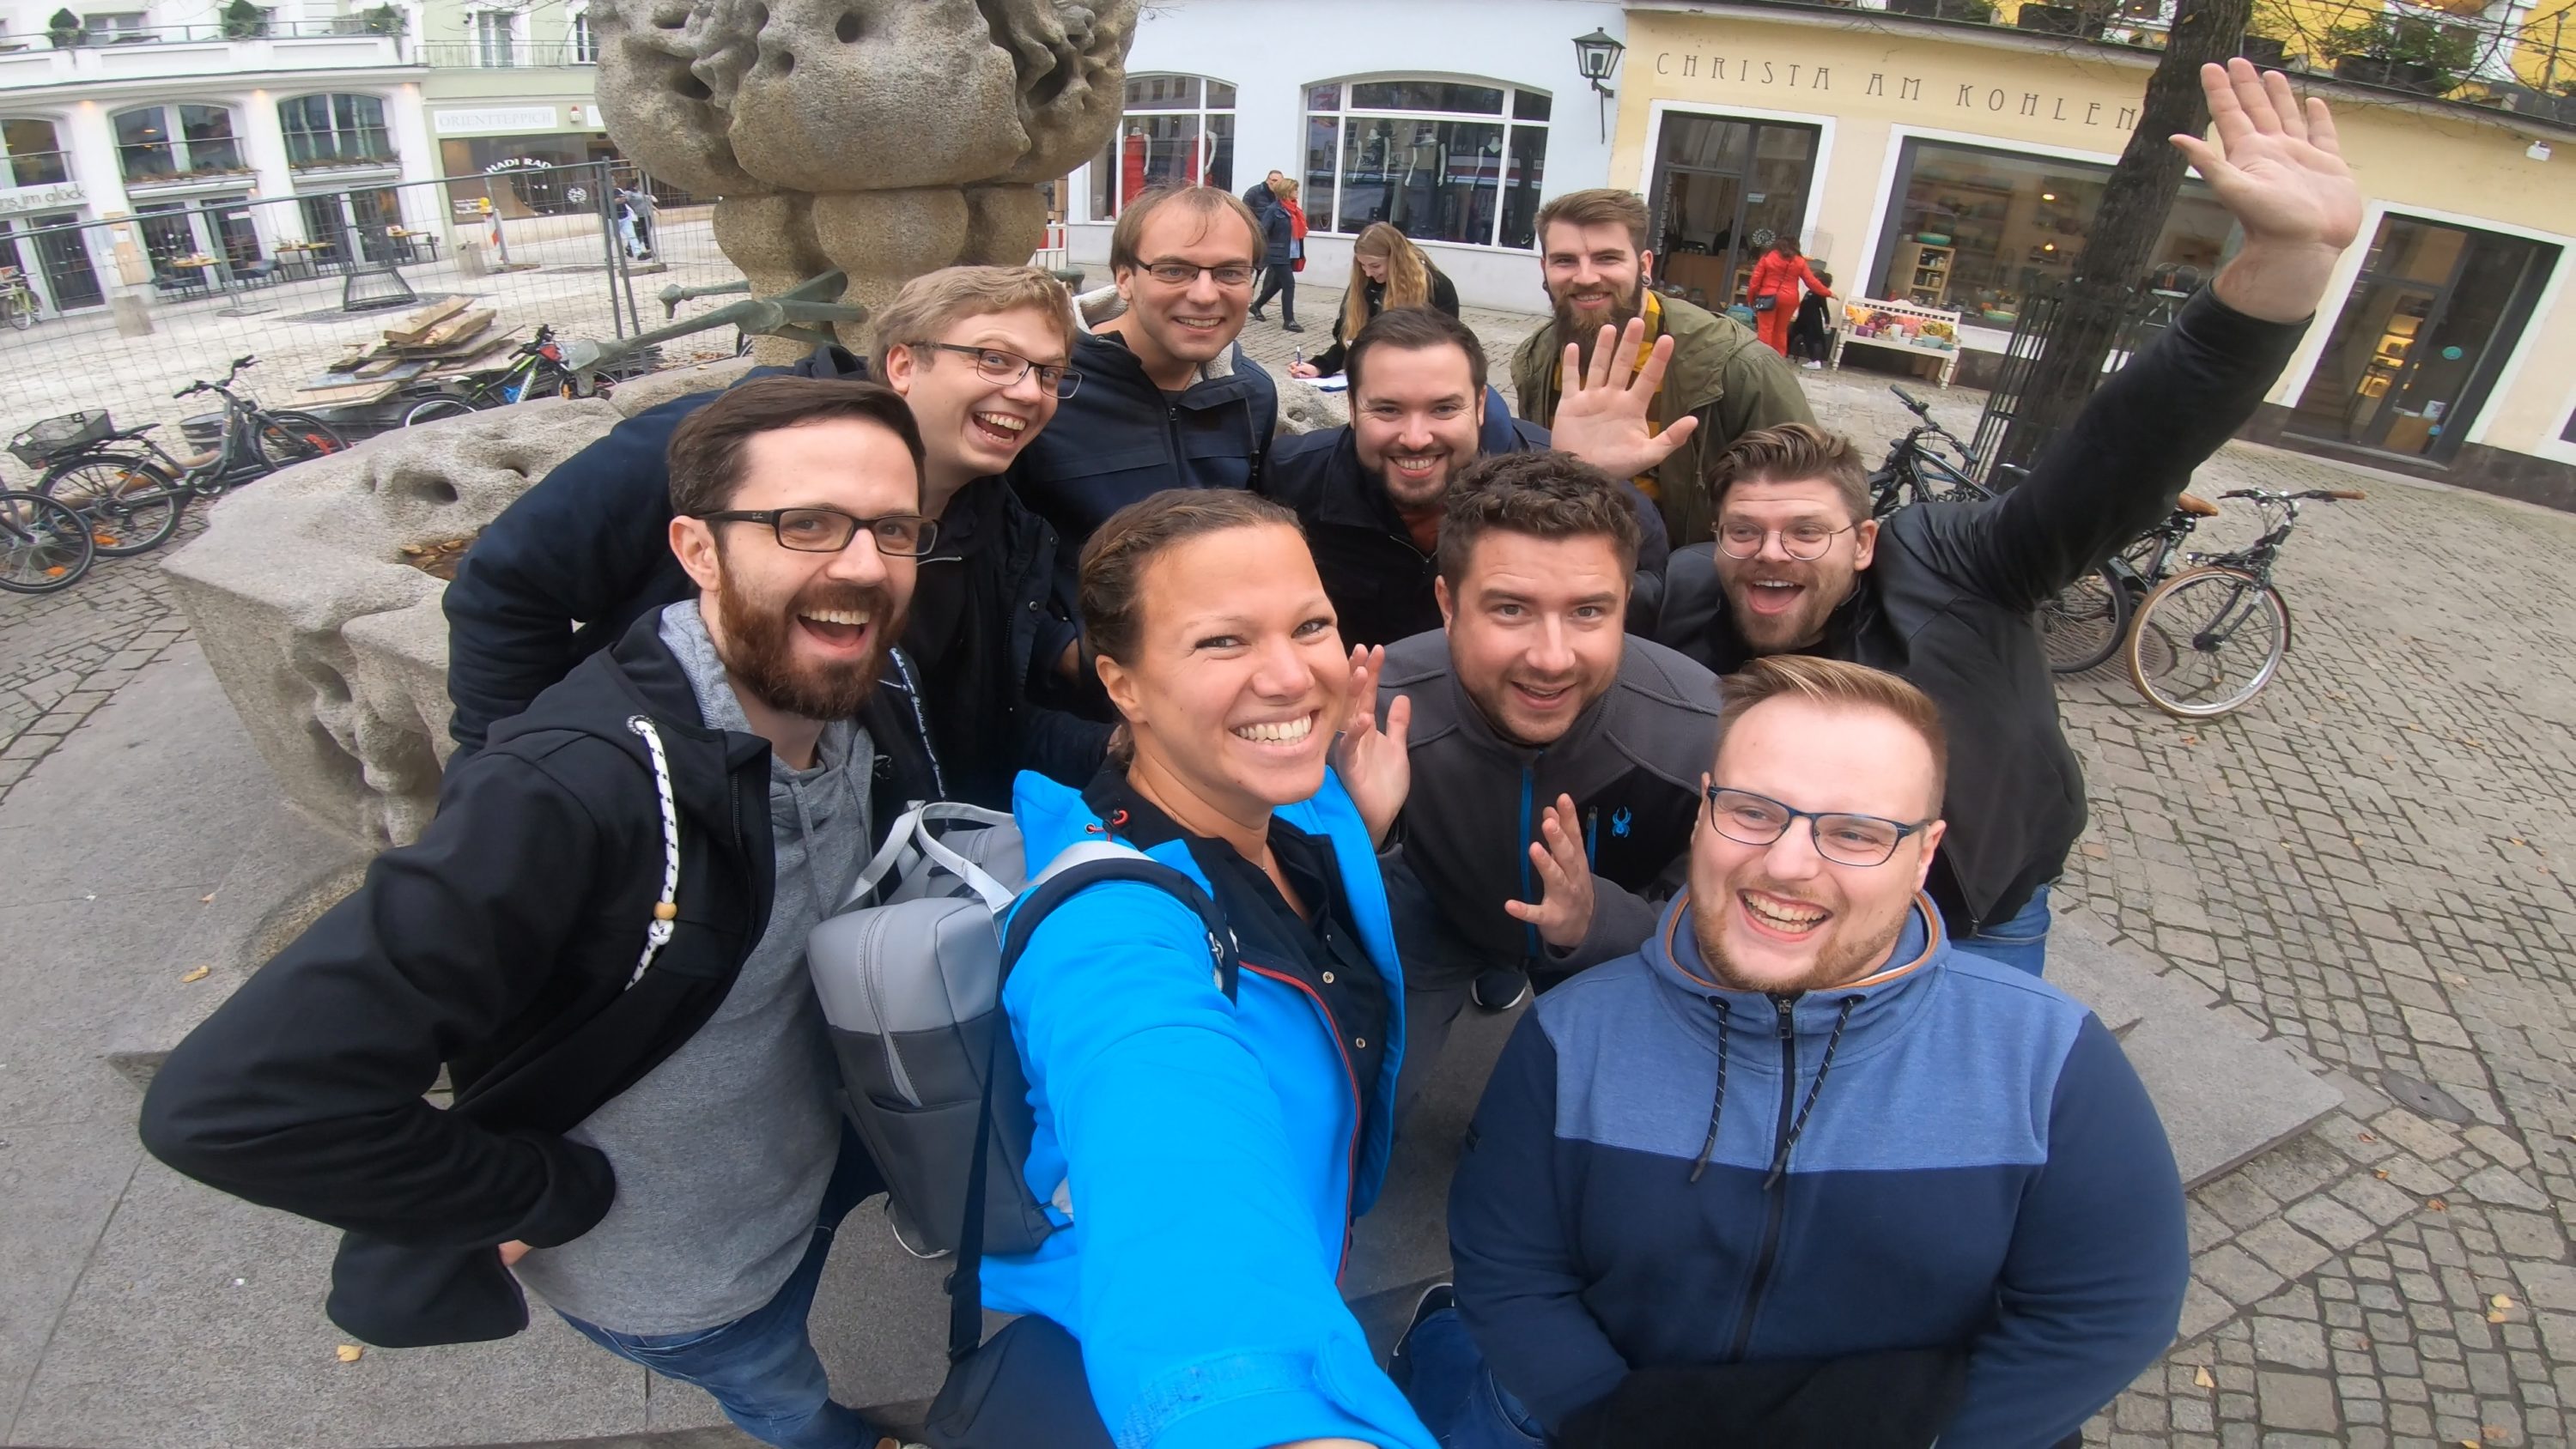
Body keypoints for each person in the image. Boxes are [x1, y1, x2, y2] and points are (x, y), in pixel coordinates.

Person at [140, 379, 947, 1449]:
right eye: (806, 522)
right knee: (782, 1396)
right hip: (681, 1274)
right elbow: (233, 1104)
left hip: (808, 1165)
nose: (863, 564)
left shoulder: (848, 688)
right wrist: (537, 1192)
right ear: (698, 550)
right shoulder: (568, 792)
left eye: (894, 528)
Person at [1652, 60, 2361, 973]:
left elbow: (2120, 457)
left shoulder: (1953, 562)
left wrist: (2281, 272)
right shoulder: (1686, 596)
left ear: (1864, 542)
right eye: (1743, 532)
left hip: (1974, 914)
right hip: (1784, 903)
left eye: (1804, 532)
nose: (1768, 553)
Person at [1402, 655, 2188, 1449]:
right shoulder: (1570, 1036)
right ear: (1703, 814)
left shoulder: (2049, 1061)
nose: (1787, 864)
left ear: (1924, 854)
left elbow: (2108, 1310)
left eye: (1855, 833)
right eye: (1752, 811)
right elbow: (1509, 1270)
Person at [981, 488, 1433, 1449]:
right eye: (1223, 641)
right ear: (1123, 684)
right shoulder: (1109, 932)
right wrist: (1274, 1417)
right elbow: (1178, 1176)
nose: (1292, 675)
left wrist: (1364, 824)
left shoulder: (1296, 809)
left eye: (1310, 625)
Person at [440, 264, 1105, 807]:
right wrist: (507, 772)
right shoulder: (729, 442)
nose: (1029, 392)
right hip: (652, 803)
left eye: (1048, 373)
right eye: (995, 360)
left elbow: (975, 714)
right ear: (904, 364)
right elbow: (507, 583)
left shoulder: (1000, 520)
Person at [1375, 452, 1725, 1116]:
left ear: (1625, 605)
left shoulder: (1700, 731)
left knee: (1600, 1120)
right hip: (1439, 918)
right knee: (1372, 1098)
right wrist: (1361, 833)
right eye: (1511, 609)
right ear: (1448, 604)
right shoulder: (1380, 706)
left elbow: (1718, 919)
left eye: (1589, 611)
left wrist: (1600, 921)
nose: (1551, 658)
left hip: (1618, 947)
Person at [1263, 306, 1680, 649]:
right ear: (1352, 407)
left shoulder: (1572, 474)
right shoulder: (1290, 480)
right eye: (1388, 410)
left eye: (1444, 409)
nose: (1416, 438)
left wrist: (1584, 488)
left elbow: (1635, 623)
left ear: (1480, 405)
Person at [1008, 185, 1278, 600]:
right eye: (1174, 270)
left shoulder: (1252, 393)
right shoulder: (1042, 385)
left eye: (1230, 272)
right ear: (1124, 279)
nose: (1205, 295)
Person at [1511, 188, 1816, 550]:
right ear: (1544, 269)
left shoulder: (1739, 366)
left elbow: (1811, 496)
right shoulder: (1536, 359)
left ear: (1645, 266)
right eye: (1565, 261)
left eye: (1607, 258)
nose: (1586, 277)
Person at [1289, 222, 1460, 380]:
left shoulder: (1436, 286)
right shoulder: (1365, 284)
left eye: (1375, 266)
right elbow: (1352, 342)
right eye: (1363, 265)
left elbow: (1448, 344)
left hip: (1423, 377)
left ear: (1396, 259)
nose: (1368, 273)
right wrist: (1319, 366)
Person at [1746, 237, 1831, 359]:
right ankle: (1779, 357)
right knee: (1781, 330)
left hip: (1768, 296)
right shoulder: (1800, 261)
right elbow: (1811, 281)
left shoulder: (1768, 257)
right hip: (1790, 298)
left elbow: (1755, 281)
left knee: (1765, 328)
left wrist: (1751, 298)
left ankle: (1763, 358)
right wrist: (1828, 293)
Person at [1249, 176, 1303, 331]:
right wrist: (1261, 253)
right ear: (1286, 191)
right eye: (1294, 189)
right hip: (1277, 254)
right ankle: (1289, 320)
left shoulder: (1294, 210)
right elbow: (1262, 232)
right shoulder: (1273, 210)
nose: (1297, 192)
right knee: (1289, 284)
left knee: (1277, 284)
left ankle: (1256, 306)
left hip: (1291, 253)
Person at [1787, 269, 1834, 370]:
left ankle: (1816, 361)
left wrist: (1827, 322)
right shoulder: (1811, 291)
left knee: (1813, 340)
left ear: (1818, 280)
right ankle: (1781, 352)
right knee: (1791, 335)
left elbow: (1825, 308)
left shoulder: (1820, 293)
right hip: (1802, 319)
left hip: (1812, 320)